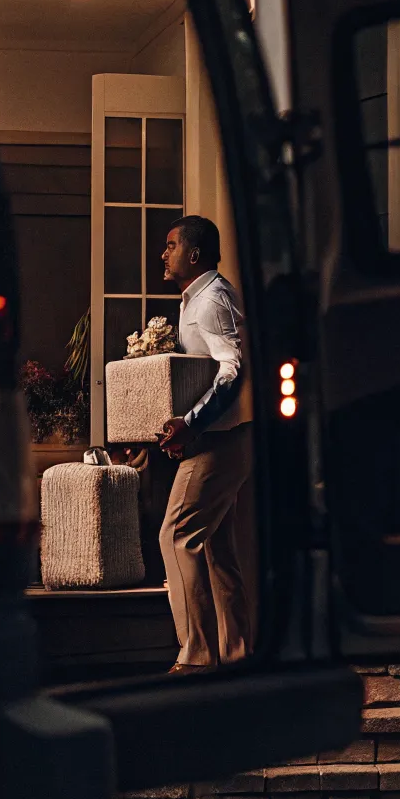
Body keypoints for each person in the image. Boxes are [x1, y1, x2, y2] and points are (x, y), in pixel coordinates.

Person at [152, 215, 256, 674]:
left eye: (170, 246)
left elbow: (233, 370)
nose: (163, 253)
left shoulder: (212, 300)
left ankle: (196, 658)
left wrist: (191, 424)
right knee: (217, 552)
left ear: (194, 255)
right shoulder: (195, 299)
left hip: (221, 441)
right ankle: (236, 659)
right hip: (218, 440)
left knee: (176, 536)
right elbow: (200, 376)